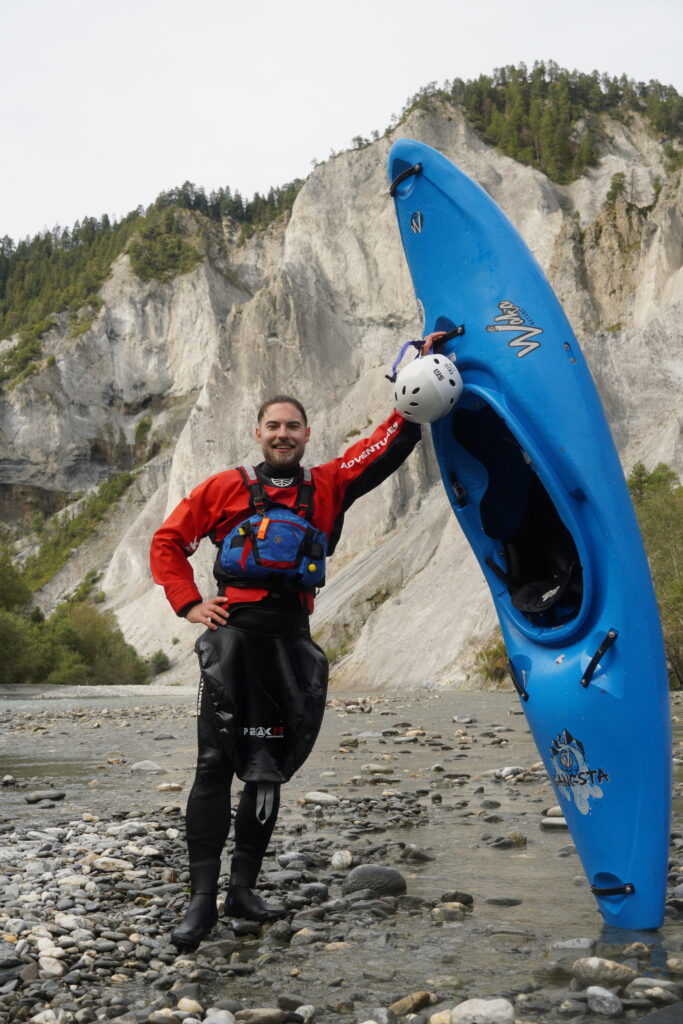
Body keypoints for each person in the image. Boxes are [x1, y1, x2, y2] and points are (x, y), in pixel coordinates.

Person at [150, 339, 440, 950]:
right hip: (232, 641)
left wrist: (418, 373)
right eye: (273, 426)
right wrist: (190, 603)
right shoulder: (222, 488)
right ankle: (202, 898)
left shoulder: (330, 485)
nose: (283, 434)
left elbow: (389, 441)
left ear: (308, 433)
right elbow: (167, 543)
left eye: (293, 427)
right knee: (213, 766)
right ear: (258, 432)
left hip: (290, 642)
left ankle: (243, 889)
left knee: (267, 771)